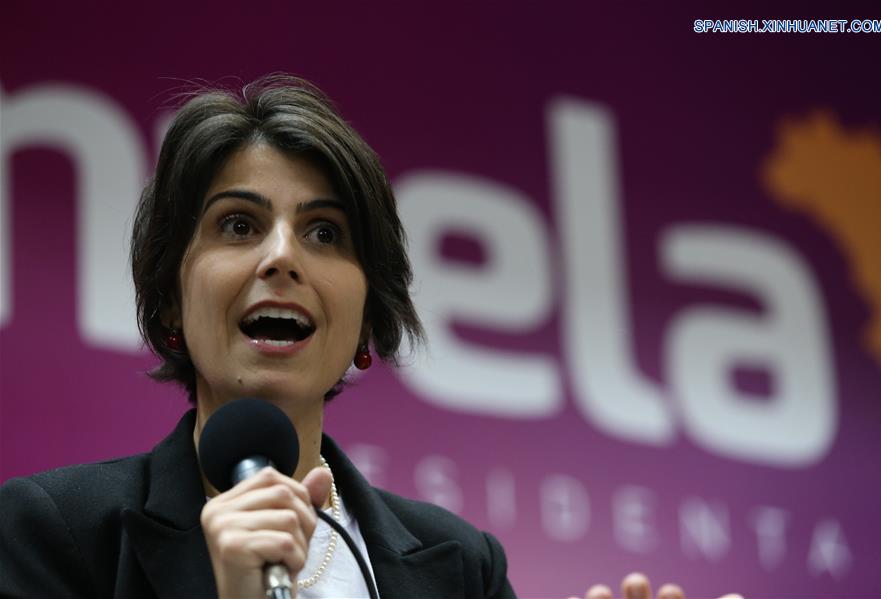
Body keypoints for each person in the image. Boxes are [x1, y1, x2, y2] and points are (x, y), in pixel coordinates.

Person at [0, 75, 738, 599]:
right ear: (170, 301)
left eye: (325, 233)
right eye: (239, 224)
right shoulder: (53, 530)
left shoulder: (463, 568)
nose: (282, 256)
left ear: (365, 323)